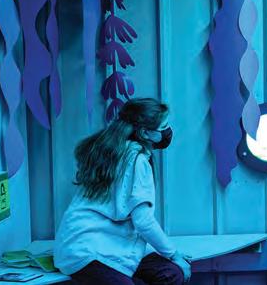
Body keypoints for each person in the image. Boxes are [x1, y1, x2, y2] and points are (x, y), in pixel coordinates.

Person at [54, 98, 192, 284]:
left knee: (171, 273)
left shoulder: (112, 151)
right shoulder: (135, 160)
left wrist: (172, 256)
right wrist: (174, 255)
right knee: (173, 270)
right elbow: (143, 221)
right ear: (145, 133)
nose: (168, 131)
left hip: (109, 245)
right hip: (87, 251)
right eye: (163, 127)